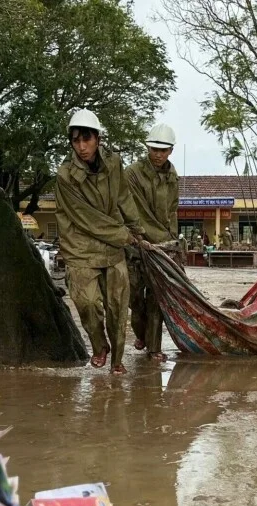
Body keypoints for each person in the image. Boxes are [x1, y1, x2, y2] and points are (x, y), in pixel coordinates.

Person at [55, 109, 140, 375]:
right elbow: (85, 218)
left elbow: (124, 197)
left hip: (113, 247)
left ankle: (116, 360)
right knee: (87, 302)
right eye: (76, 141)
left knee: (118, 304)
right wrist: (124, 235)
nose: (82, 147)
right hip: (80, 246)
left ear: (98, 139)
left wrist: (137, 229)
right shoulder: (65, 176)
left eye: (87, 140)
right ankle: (99, 345)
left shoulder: (114, 163)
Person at [125, 123, 180, 362]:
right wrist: (137, 237)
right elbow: (128, 210)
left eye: (163, 150)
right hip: (136, 245)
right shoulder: (132, 174)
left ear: (170, 151)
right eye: (154, 149)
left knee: (157, 299)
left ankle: (154, 347)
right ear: (147, 147)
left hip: (163, 246)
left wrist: (174, 242)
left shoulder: (172, 176)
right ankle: (142, 334)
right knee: (134, 299)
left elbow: (173, 210)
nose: (158, 154)